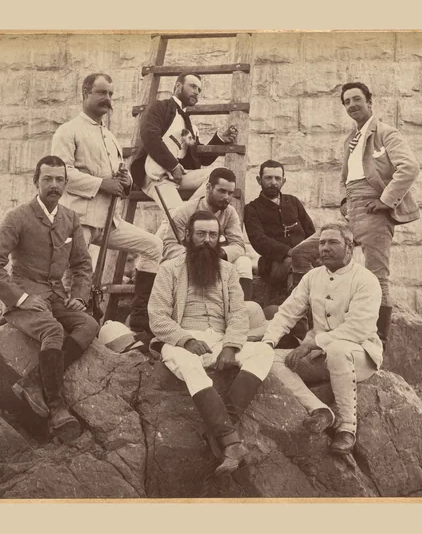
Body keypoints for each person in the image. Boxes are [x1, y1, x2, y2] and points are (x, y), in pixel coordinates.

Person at [0, 155, 100, 442]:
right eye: (47, 179)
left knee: (89, 325)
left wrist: (79, 297)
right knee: (53, 330)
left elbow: (82, 265)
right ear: (36, 182)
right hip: (26, 297)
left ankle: (34, 382)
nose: (54, 185)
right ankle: (58, 409)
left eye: (59, 180)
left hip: (57, 296)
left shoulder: (70, 219)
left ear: (66, 184)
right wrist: (20, 299)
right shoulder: (18, 218)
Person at [290, 82, 420, 343]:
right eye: (347, 101)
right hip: (350, 213)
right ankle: (309, 324)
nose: (352, 105)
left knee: (376, 275)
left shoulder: (386, 133)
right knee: (301, 253)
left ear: (370, 102)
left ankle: (379, 339)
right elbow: (345, 177)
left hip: (374, 212)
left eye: (357, 99)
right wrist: (343, 201)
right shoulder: (350, 140)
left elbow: (409, 168)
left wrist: (385, 200)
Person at [148, 211, 271, 474]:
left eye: (213, 235)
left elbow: (238, 313)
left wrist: (231, 346)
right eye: (201, 234)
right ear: (187, 237)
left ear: (219, 239)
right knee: (187, 363)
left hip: (219, 341)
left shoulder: (228, 271)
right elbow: (157, 318)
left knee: (263, 352)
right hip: (182, 342)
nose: (207, 240)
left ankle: (219, 432)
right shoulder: (169, 269)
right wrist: (186, 339)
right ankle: (230, 440)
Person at [50, 72, 163, 338]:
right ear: (85, 93)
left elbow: (120, 176)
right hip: (79, 221)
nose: (107, 99)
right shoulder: (68, 131)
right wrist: (102, 184)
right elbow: (59, 175)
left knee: (154, 246)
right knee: (77, 274)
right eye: (101, 93)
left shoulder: (109, 137)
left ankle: (140, 316)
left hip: (109, 220)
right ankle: (72, 329)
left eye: (111, 94)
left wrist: (126, 180)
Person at [261, 222, 383, 457]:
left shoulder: (366, 280)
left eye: (333, 242)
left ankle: (347, 428)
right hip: (319, 358)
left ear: (350, 247)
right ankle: (320, 410)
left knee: (337, 349)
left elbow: (358, 329)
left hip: (359, 356)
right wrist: (268, 342)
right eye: (322, 243)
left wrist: (312, 343)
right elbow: (287, 312)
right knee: (270, 359)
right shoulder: (312, 277)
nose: (325, 248)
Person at [130, 73, 239, 214]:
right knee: (177, 216)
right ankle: (187, 216)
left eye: (199, 90)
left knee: (218, 175)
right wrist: (173, 165)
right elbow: (150, 137)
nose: (196, 92)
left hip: (178, 176)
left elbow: (199, 158)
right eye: (193, 86)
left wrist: (220, 138)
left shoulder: (188, 128)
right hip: (156, 174)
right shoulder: (159, 107)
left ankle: (192, 213)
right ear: (178, 86)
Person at [157, 167, 257, 302]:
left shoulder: (230, 212)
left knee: (244, 262)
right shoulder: (183, 211)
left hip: (216, 259)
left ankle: (243, 309)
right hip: (188, 260)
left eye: (230, 193)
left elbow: (238, 245)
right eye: (221, 191)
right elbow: (169, 246)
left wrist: (219, 253)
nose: (226, 197)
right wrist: (193, 254)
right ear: (208, 187)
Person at [243, 160, 316, 307]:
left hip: (303, 258)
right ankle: (297, 309)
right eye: (268, 178)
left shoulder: (293, 202)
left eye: (277, 178)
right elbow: (259, 240)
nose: (273, 182)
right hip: (274, 264)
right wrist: (290, 252)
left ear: (283, 181)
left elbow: (310, 231)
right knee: (294, 263)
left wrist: (311, 252)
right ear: (259, 180)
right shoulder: (252, 209)